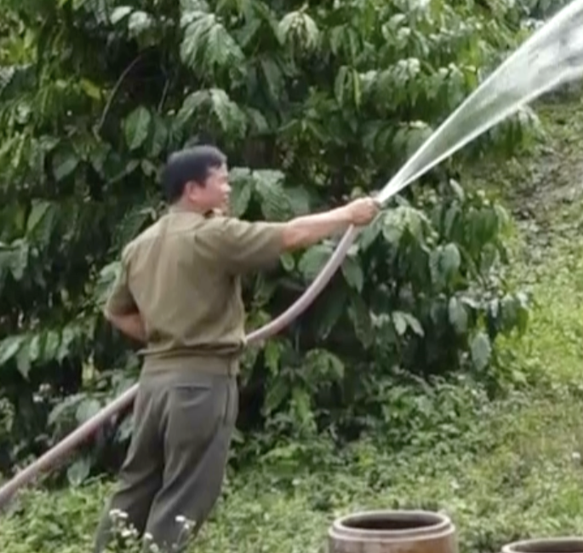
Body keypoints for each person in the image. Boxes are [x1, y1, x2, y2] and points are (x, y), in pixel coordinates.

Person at [91, 143, 381, 552]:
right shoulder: (213, 234)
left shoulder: (141, 244)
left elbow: (117, 314)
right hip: (201, 384)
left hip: (154, 384)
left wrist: (168, 334)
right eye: (221, 181)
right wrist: (349, 214)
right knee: (186, 495)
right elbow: (290, 234)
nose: (229, 189)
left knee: (135, 488)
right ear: (193, 190)